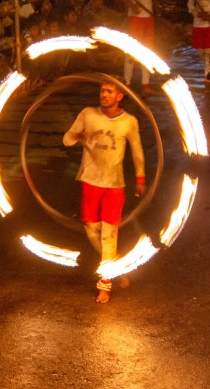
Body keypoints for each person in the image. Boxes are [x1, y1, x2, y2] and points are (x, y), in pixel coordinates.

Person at [63, 81, 146, 304]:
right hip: (90, 181)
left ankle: (104, 285)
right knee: (91, 232)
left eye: (109, 91)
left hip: (114, 185)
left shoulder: (129, 121)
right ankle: (117, 263)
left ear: (119, 96)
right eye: (102, 91)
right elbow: (67, 139)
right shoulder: (88, 114)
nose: (104, 95)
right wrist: (79, 136)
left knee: (109, 235)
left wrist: (140, 178)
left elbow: (137, 150)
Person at [112, 0, 160, 94]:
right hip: (135, 19)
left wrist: (157, 6)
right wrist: (129, 4)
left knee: (147, 51)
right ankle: (127, 84)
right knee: (132, 51)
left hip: (148, 18)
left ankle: (145, 85)